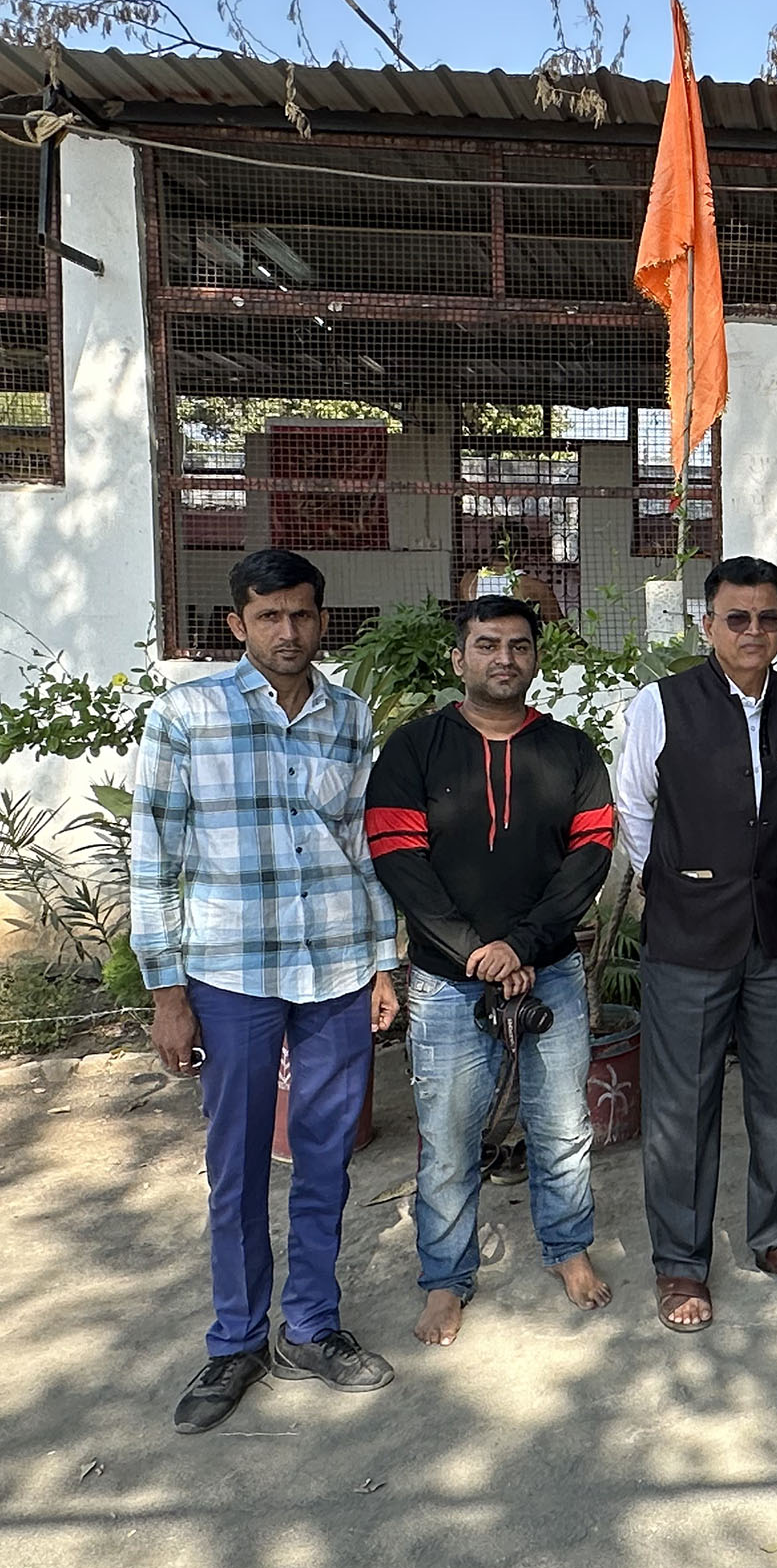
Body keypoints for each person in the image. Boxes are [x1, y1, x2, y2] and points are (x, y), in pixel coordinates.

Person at [134, 549, 403, 1433]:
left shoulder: (349, 718)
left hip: (332, 970)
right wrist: (167, 991)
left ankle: (313, 1327)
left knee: (325, 1160)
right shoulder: (187, 716)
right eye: (269, 616)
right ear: (237, 624)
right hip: (231, 974)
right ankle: (234, 1341)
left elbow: (364, 851)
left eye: (302, 615)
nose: (288, 632)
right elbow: (154, 859)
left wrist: (381, 963)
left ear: (324, 620)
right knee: (238, 1166)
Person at [364, 594, 617, 1347]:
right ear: (458, 658)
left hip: (552, 972)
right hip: (447, 978)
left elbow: (591, 855)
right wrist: (474, 949)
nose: (503, 658)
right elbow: (397, 857)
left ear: (536, 659)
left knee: (562, 1125)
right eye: (485, 645)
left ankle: (568, 1250)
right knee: (447, 1135)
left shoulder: (571, 751)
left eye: (517, 646)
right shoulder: (414, 750)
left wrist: (527, 945)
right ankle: (446, 1279)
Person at [617, 555, 777, 1329]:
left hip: (773, 934)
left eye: (768, 618)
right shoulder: (662, 704)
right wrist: (673, 882)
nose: (753, 631)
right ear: (707, 625)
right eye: (737, 618)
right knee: (683, 1107)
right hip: (687, 937)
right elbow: (635, 805)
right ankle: (680, 1262)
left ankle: (774, 1235)